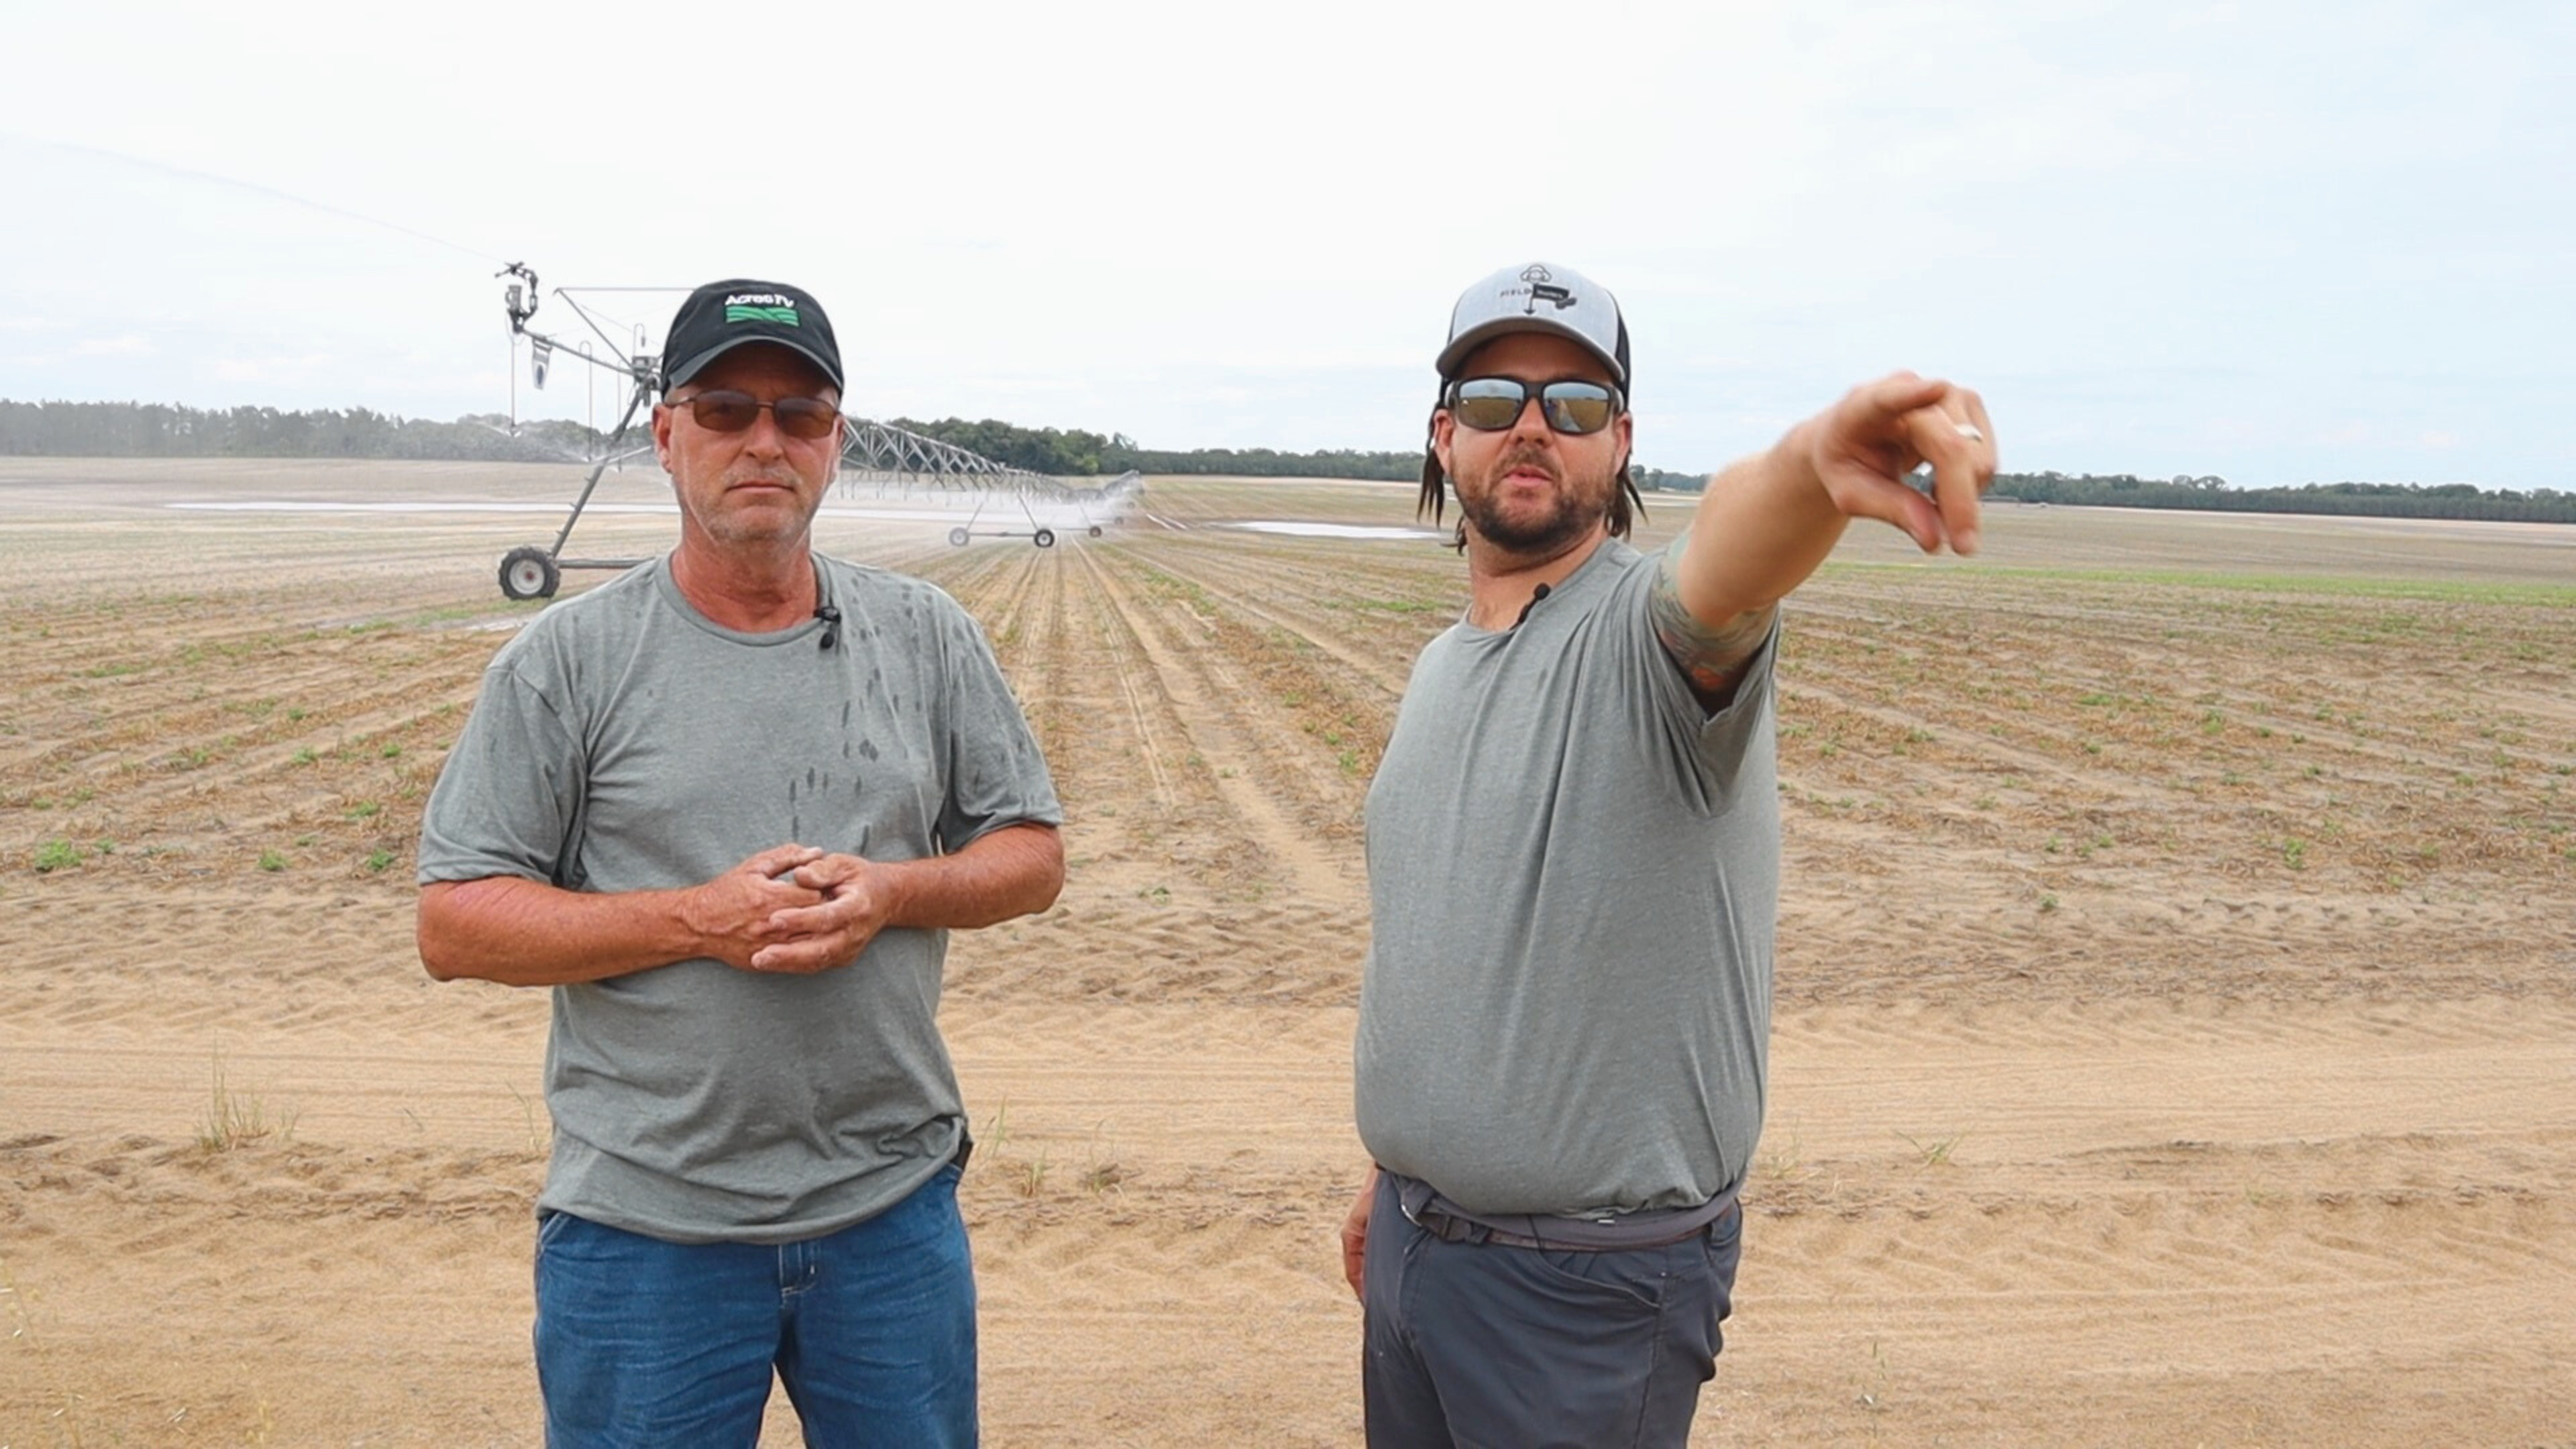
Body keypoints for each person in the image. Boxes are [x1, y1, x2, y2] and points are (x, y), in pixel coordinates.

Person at [1339, 261, 1994, 1446]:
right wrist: (1400, 1177)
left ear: (1622, 441)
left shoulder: (1650, 640)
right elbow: (1444, 950)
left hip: (1583, 1297)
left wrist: (1812, 469)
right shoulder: (1443, 667)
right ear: (1445, 437)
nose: (1533, 426)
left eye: (1576, 404)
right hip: (1416, 1252)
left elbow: (1728, 570)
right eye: (1495, 400)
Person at [416, 278, 1063, 1448]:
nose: (764, 440)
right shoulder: (568, 662)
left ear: (836, 443)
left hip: (889, 1216)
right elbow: (456, 923)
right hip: (643, 1232)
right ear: (665, 436)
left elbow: (1031, 854)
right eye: (725, 409)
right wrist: (696, 921)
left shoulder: (926, 637)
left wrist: (893, 891)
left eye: (799, 413)